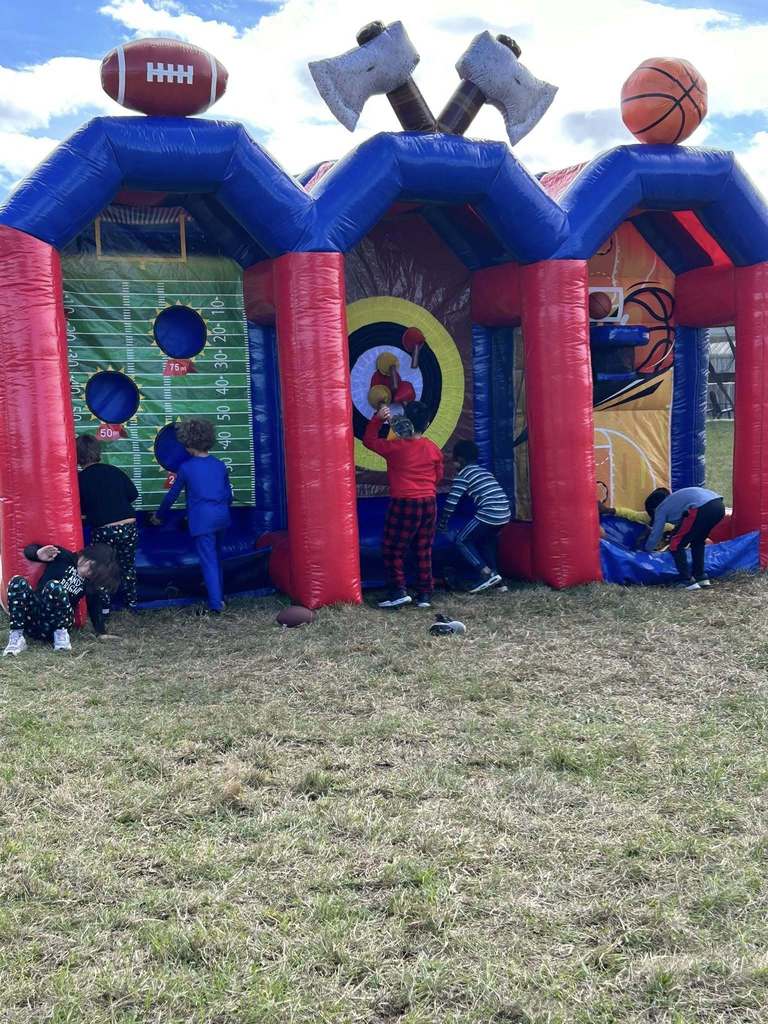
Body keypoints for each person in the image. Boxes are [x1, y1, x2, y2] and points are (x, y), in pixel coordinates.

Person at [363, 400, 443, 609]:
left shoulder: (395, 448)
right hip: (429, 502)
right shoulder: (433, 448)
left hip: (405, 501)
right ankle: (424, 594)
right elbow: (438, 475)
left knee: (392, 548)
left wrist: (377, 419)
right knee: (423, 548)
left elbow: (369, 441)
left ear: (406, 420)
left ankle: (398, 591)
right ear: (426, 424)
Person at [150, 418, 232, 614]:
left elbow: (172, 496)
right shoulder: (219, 465)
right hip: (222, 516)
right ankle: (220, 597)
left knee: (209, 561)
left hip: (202, 520)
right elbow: (228, 494)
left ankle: (215, 606)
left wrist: (159, 516)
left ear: (186, 443)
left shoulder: (186, 468)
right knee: (217, 558)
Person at [3, 542, 120, 656]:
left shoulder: (88, 582)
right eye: (92, 569)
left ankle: (61, 638)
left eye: (94, 574)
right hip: (34, 619)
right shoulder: (64, 557)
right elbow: (29, 549)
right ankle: (17, 636)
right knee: (17, 582)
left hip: (56, 625)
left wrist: (101, 632)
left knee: (55, 587)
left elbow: (94, 605)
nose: (90, 574)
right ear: (89, 559)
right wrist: (37, 553)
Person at [437, 440, 511, 593]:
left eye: (454, 460)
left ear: (460, 460)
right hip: (504, 512)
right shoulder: (484, 472)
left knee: (461, 540)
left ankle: (486, 573)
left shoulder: (463, 475)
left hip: (489, 513)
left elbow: (451, 503)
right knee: (486, 543)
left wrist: (442, 523)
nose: (453, 464)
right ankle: (499, 583)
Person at [76, 434, 139, 611]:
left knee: (101, 568)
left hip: (104, 529)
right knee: (127, 566)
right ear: (98, 451)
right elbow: (133, 495)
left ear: (77, 456)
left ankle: (104, 607)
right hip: (129, 526)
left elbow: (79, 508)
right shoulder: (114, 471)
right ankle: (132, 604)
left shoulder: (80, 480)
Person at [644, 486, 725, 589]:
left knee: (676, 543)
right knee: (698, 541)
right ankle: (701, 577)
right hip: (718, 506)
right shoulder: (674, 501)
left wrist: (647, 549)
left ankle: (686, 580)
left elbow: (656, 533)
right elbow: (684, 524)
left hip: (700, 507)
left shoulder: (660, 508)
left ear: (653, 509)